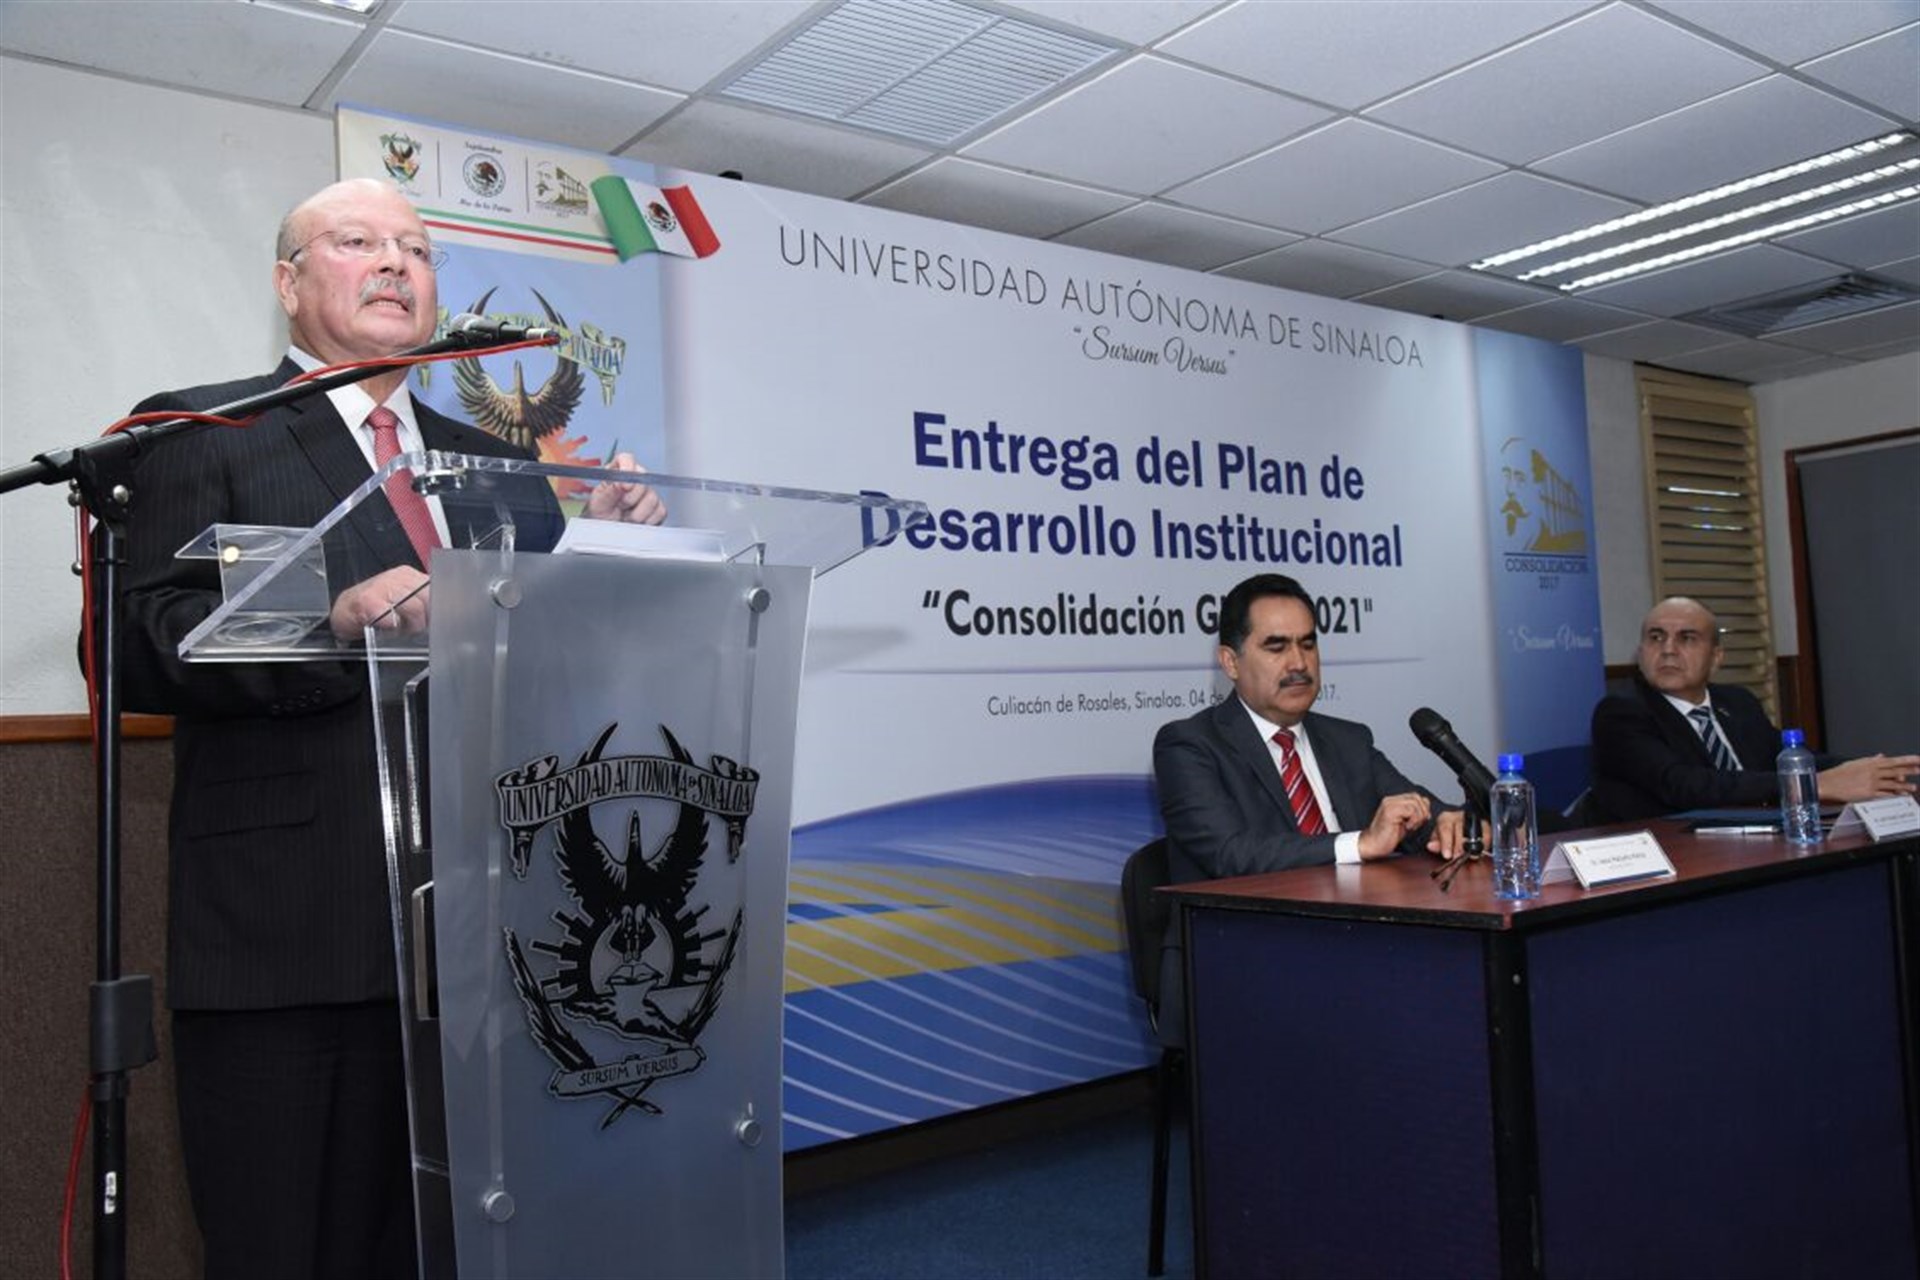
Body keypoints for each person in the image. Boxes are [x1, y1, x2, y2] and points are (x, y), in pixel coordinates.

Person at [115, 177, 663, 1280]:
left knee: (448, 1245)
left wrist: (599, 554)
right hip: (287, 932)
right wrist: (326, 623)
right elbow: (137, 645)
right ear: (288, 284)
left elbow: (545, 666)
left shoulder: (498, 463)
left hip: (483, 935)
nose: (394, 264)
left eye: (415, 249)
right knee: (283, 1246)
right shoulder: (205, 431)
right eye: (357, 241)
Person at [1150, 573, 1473, 1039]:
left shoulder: (1348, 740)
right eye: (1276, 646)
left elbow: (1417, 813)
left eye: (1308, 643)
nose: (1299, 663)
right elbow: (1231, 855)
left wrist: (1449, 823)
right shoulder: (1189, 745)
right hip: (1239, 967)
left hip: (1360, 952)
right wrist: (1360, 843)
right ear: (1230, 662)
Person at [1588, 596, 1918, 823]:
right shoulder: (1621, 712)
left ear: (1716, 657)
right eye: (1656, 637)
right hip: (1672, 856)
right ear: (1641, 652)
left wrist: (1869, 771)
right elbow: (1686, 786)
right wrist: (1813, 785)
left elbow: (1787, 757)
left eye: (1687, 638)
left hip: (1752, 841)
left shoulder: (1737, 702)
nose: (1668, 650)